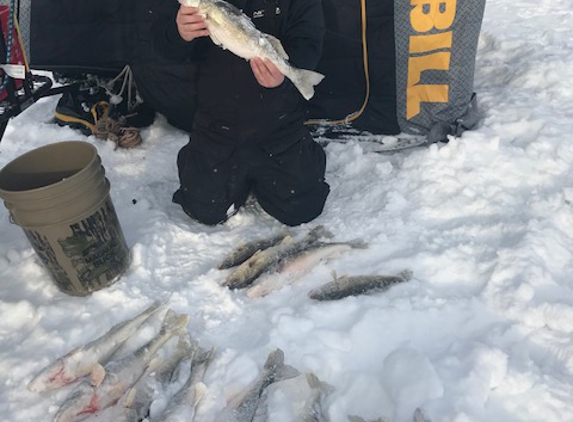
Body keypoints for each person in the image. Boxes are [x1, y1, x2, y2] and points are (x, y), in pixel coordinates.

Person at [154, 0, 330, 226]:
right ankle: (200, 158)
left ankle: (300, 154)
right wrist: (179, 34)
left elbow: (309, 41)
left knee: (302, 207)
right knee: (204, 208)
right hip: (218, 124)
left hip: (279, 123)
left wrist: (283, 79)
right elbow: (163, 47)